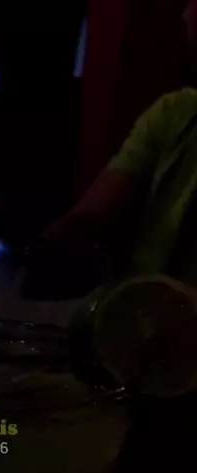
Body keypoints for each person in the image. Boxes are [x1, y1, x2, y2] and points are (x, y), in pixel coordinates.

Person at [40, 0, 197, 290]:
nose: (187, 13)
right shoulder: (173, 113)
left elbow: (87, 220)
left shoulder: (176, 112)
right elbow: (89, 219)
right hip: (136, 309)